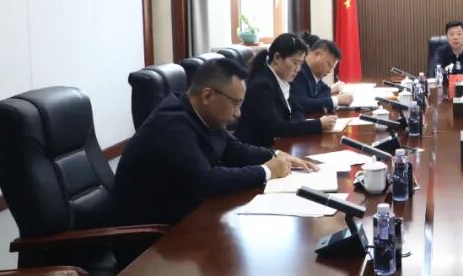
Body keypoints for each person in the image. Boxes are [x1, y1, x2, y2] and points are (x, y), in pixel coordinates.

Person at [114, 58, 314, 225]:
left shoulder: (201, 115)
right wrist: (267, 171)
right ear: (208, 95)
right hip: (153, 237)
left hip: (186, 214)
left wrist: (276, 155)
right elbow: (205, 180)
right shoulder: (171, 125)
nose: (238, 113)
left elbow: (233, 149)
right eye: (236, 104)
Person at [234, 33, 337, 148]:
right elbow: (276, 127)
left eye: (300, 64)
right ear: (277, 58)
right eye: (295, 63)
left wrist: (294, 124)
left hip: (278, 145)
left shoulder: (282, 80)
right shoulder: (262, 85)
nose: (298, 69)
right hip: (256, 150)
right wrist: (318, 124)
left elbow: (298, 109)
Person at [292, 32, 353, 113]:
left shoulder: (313, 74)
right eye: (328, 64)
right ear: (317, 54)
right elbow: (302, 105)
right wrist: (336, 100)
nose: (329, 71)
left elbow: (325, 90)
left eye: (332, 67)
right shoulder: (299, 71)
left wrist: (315, 100)